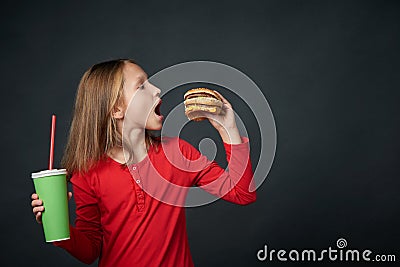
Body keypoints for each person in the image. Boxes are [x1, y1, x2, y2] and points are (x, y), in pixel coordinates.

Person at [31, 59, 256, 267]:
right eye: (141, 86)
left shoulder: (177, 153)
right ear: (116, 110)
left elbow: (242, 193)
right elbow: (90, 251)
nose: (156, 89)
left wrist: (229, 128)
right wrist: (57, 226)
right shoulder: (87, 173)